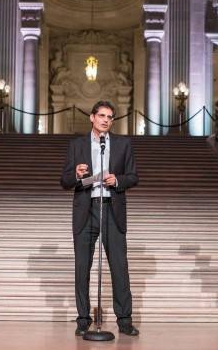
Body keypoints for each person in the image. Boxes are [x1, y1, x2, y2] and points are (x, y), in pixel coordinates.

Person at [60, 100, 140, 337]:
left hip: (111, 209)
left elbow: (133, 176)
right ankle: (83, 319)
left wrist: (117, 180)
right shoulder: (77, 145)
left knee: (119, 266)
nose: (106, 120)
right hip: (86, 210)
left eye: (110, 117)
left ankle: (124, 320)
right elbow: (64, 180)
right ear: (92, 117)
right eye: (102, 115)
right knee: (82, 267)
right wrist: (76, 175)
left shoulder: (123, 144)